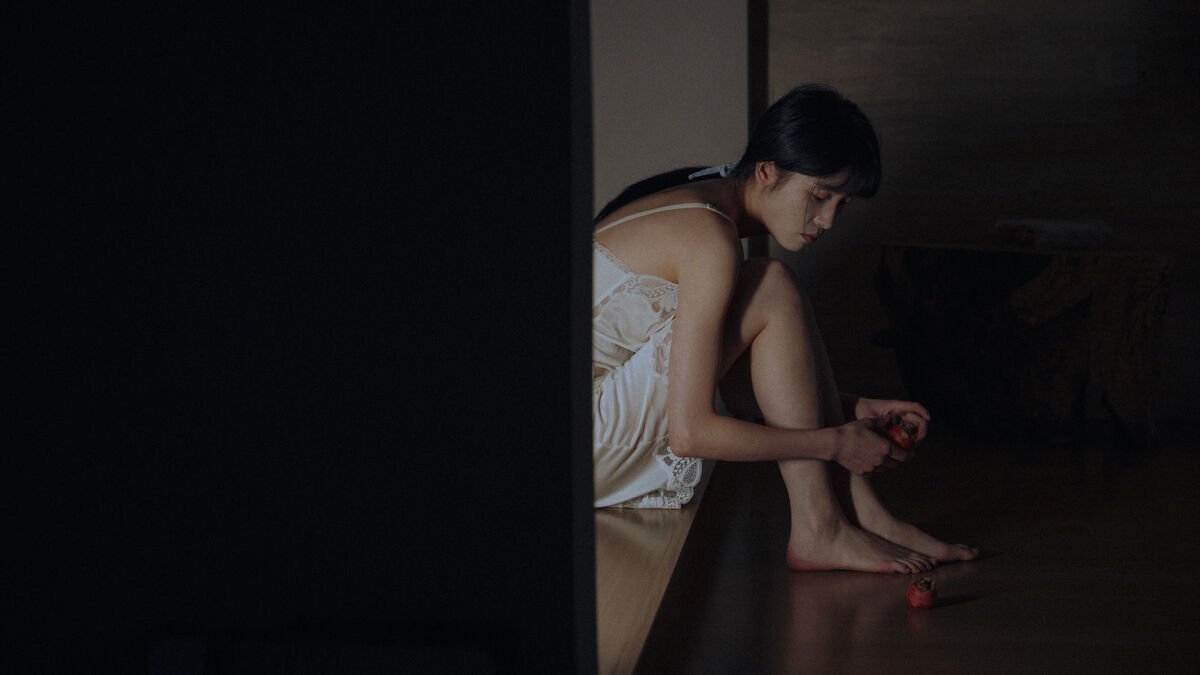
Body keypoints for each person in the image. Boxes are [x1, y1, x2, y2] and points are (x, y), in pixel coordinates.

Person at [591, 84, 978, 573]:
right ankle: (820, 527)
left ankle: (868, 517)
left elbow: (732, 378)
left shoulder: (704, 194)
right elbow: (691, 434)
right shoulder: (709, 238)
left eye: (842, 204)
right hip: (584, 440)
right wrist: (835, 441)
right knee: (770, 285)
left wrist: (845, 408)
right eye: (819, 196)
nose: (828, 220)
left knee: (763, 288)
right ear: (767, 171)